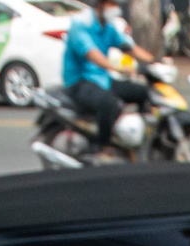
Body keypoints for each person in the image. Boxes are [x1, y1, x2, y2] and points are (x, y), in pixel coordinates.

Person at [64, 0, 158, 152]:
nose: (116, 8)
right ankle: (102, 148)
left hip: (102, 79)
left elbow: (128, 46)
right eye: (112, 4)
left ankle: (138, 140)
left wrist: (154, 61)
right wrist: (118, 68)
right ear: (100, 5)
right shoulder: (80, 25)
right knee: (108, 103)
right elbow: (92, 54)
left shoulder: (108, 26)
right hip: (79, 82)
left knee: (142, 91)